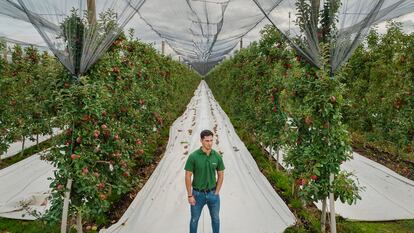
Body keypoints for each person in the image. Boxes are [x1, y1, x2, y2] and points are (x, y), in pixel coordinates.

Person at [184, 129, 225, 233]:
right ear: (201, 141)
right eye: (207, 141)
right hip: (197, 195)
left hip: (213, 194)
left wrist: (216, 192)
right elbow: (188, 176)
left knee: (216, 219)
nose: (210, 143)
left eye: (211, 140)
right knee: (194, 220)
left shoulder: (217, 156)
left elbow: (221, 174)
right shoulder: (193, 156)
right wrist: (190, 195)